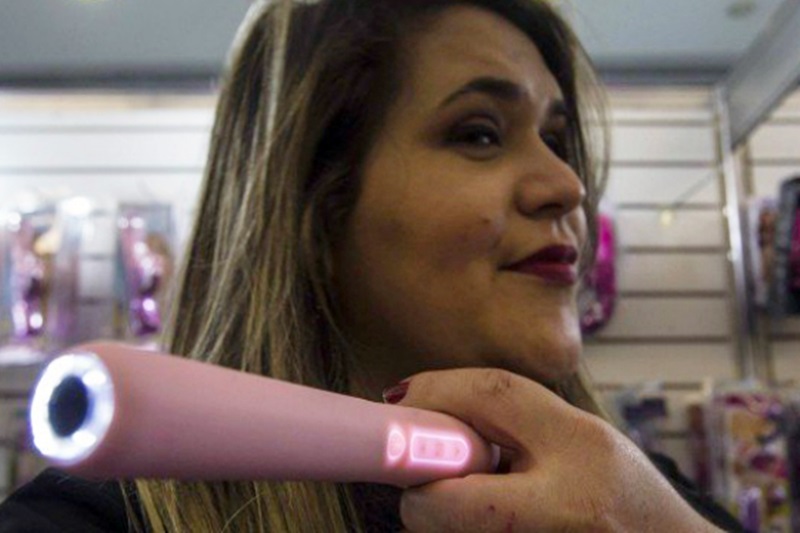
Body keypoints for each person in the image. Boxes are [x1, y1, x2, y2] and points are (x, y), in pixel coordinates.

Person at [0, 0, 744, 531]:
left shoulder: (635, 499)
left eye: (557, 138)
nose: (569, 185)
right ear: (315, 204)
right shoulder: (85, 520)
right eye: (480, 134)